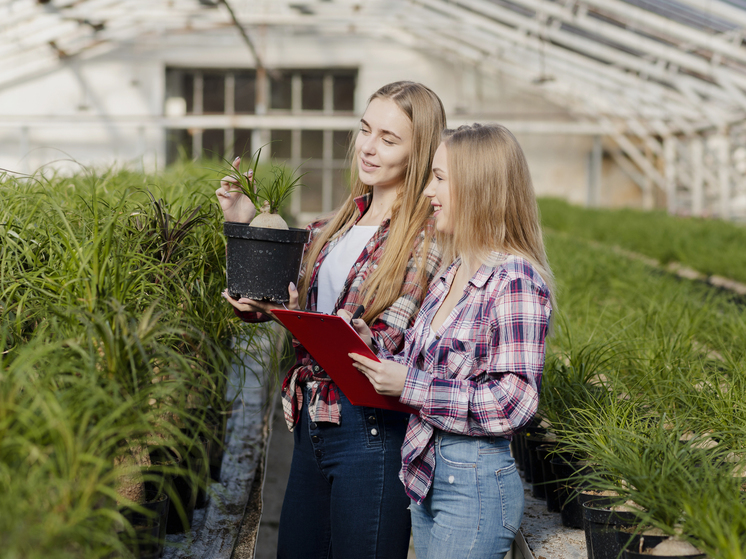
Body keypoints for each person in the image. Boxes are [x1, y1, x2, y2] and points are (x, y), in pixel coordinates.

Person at [216, 81, 446, 559]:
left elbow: (387, 341)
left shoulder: (427, 236)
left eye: (388, 138)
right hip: (312, 422)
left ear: (420, 149)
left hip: (372, 430)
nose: (368, 146)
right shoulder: (332, 226)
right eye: (365, 130)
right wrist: (245, 225)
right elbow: (292, 305)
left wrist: (332, 330)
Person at [346, 123, 555, 559]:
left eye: (439, 178)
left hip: (474, 483)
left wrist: (409, 385)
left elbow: (514, 402)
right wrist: (375, 350)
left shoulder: (514, 280)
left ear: (478, 187)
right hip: (430, 473)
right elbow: (425, 368)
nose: (426, 190)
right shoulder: (453, 273)